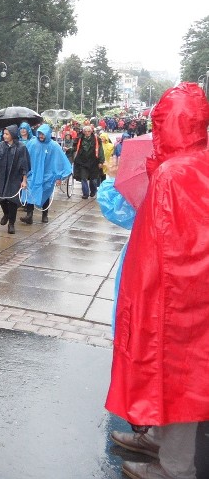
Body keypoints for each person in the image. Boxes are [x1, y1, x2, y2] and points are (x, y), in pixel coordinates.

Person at [106, 83, 209, 479]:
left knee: (174, 375)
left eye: (161, 122)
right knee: (182, 375)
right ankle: (162, 443)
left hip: (170, 298)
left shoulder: (173, 173)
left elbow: (156, 246)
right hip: (190, 298)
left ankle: (175, 468)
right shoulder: (196, 163)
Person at [19, 123, 73, 225]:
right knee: (30, 193)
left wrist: (58, 177)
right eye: (39, 134)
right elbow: (25, 157)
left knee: (45, 193)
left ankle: (45, 214)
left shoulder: (54, 146)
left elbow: (60, 161)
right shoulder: (33, 143)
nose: (41, 136)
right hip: (33, 174)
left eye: (43, 134)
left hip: (47, 175)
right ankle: (29, 215)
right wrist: (24, 172)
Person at [0, 125, 29, 234]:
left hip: (15, 177)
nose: (5, 136)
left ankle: (11, 223)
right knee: (1, 197)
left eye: (7, 134)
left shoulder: (21, 147)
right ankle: (6, 213)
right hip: (2, 176)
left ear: (13, 134)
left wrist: (24, 180)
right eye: (4, 134)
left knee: (12, 201)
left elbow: (25, 165)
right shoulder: (0, 146)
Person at [73, 124, 105, 199]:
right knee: (83, 178)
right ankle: (85, 194)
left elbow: (100, 151)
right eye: (85, 131)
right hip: (82, 162)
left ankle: (93, 191)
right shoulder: (79, 139)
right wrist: (69, 149)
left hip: (94, 162)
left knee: (93, 179)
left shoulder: (97, 139)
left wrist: (101, 161)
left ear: (91, 132)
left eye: (89, 131)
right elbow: (75, 148)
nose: (87, 133)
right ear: (83, 132)